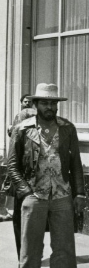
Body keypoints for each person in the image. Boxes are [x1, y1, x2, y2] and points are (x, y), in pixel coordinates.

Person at [7, 83, 86, 268]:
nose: (50, 107)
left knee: (64, 251)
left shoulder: (67, 128)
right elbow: (12, 165)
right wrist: (26, 192)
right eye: (45, 103)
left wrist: (79, 193)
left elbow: (75, 163)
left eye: (53, 103)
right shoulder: (22, 129)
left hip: (62, 196)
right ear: (36, 104)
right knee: (30, 254)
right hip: (34, 196)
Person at [3, 95, 38, 253]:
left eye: (30, 101)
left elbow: (14, 146)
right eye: (26, 101)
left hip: (23, 175)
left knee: (21, 216)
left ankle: (24, 253)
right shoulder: (31, 115)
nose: (28, 104)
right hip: (32, 176)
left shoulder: (22, 117)